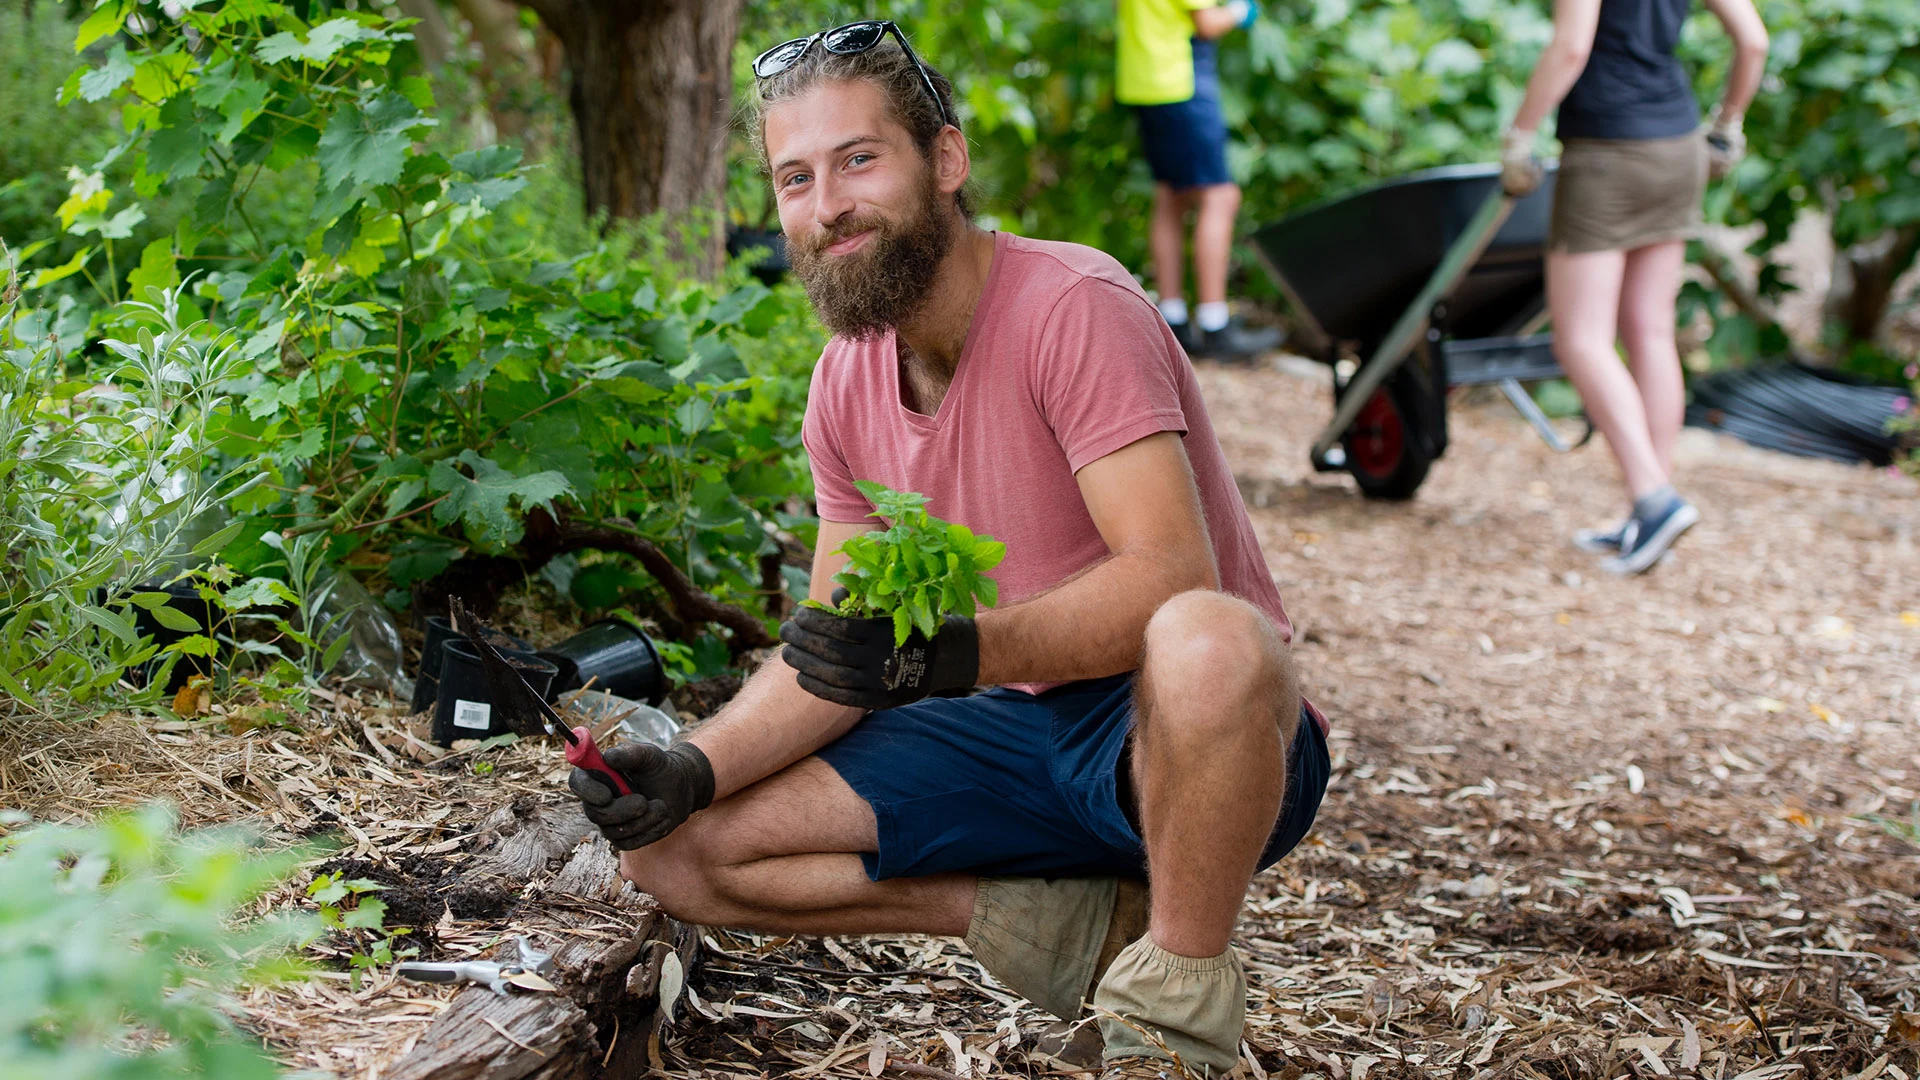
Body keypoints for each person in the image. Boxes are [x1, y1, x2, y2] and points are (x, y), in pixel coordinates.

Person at [565, 20, 1329, 1080]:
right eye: (795, 177)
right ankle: (1063, 930)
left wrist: (948, 656)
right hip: (1006, 737)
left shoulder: (1075, 308)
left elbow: (1169, 577)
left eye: (859, 160)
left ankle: (1175, 1021)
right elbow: (830, 658)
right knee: (675, 850)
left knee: (1210, 637)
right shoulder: (844, 381)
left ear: (948, 161)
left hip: (1187, 737)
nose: (827, 205)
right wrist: (694, 767)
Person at [1501, 0, 1768, 574]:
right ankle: (1652, 508)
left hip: (1608, 152)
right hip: (1679, 143)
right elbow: (1753, 41)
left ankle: (1653, 499)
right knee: (1649, 331)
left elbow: (1572, 46)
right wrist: (1727, 126)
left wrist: (1519, 137)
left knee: (1580, 340)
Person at [1116, 0, 1282, 361]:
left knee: (1170, 195)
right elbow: (1206, 22)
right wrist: (1241, 12)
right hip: (1181, 82)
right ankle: (1214, 324)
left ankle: (1173, 319)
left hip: (1144, 81)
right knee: (1220, 196)